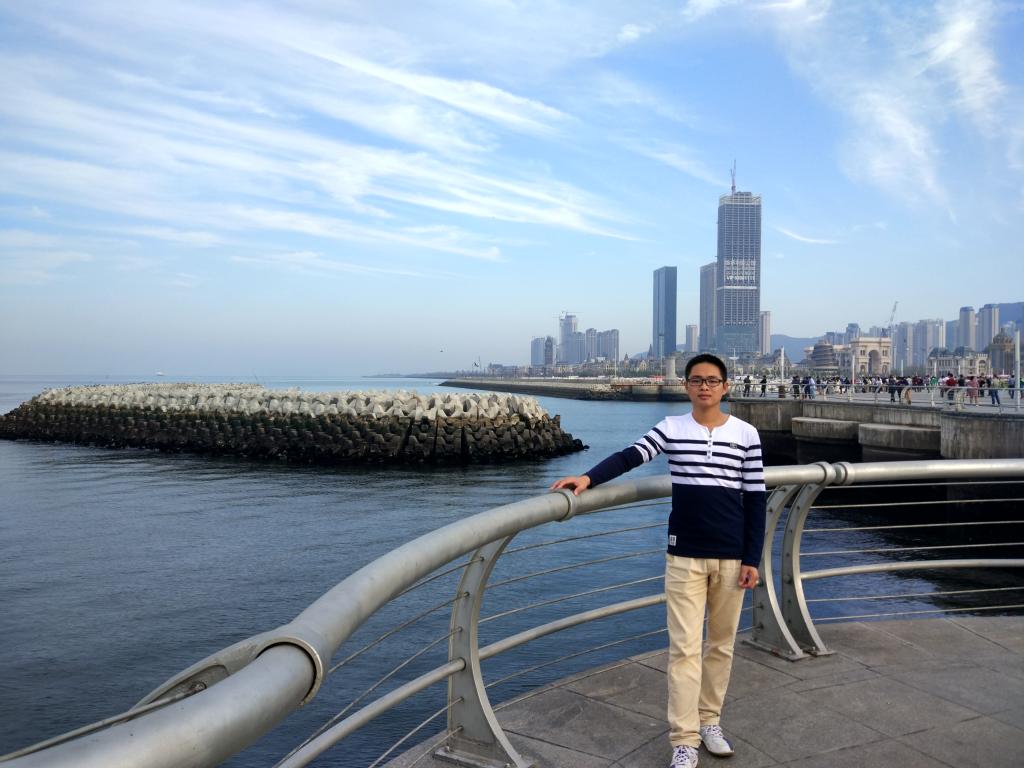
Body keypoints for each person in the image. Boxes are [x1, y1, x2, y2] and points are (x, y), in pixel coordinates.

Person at [551, 354, 765, 768]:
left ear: (726, 386)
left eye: (712, 380)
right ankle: (684, 740)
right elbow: (630, 456)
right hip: (684, 555)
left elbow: (756, 499)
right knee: (684, 650)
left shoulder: (746, 434)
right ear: (686, 386)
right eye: (697, 380)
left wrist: (751, 558)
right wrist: (588, 478)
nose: (704, 387)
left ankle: (710, 722)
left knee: (721, 647)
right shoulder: (672, 428)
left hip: (731, 556)